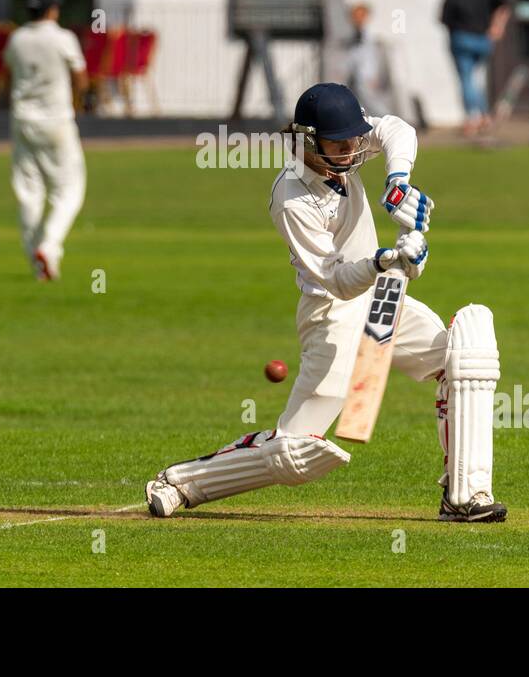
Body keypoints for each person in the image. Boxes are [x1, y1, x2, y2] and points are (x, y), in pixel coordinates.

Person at [145, 83, 507, 523]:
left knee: (464, 357)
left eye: (355, 139)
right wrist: (386, 260)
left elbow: (397, 129)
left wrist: (398, 183)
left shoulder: (342, 144)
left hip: (381, 300)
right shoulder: (291, 198)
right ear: (306, 142)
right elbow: (337, 280)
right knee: (296, 451)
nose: (353, 151)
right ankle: (181, 483)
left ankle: (465, 496)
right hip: (331, 314)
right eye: (340, 144)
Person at [4, 0, 88, 281]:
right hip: (56, 121)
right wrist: (80, 98)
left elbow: (7, 71)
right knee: (69, 190)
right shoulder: (63, 38)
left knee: (29, 192)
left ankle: (34, 257)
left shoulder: (17, 38)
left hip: (22, 120)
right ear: (51, 10)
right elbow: (81, 76)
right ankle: (49, 246)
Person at [440, 0, 510, 137]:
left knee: (466, 79)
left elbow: (444, 20)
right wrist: (497, 26)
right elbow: (505, 4)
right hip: (483, 41)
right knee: (474, 79)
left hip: (462, 40)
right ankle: (485, 115)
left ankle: (473, 117)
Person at [344, 1, 394, 116]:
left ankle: (388, 122)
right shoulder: (349, 36)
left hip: (369, 78)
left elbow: (379, 57)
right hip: (353, 78)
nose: (358, 19)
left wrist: (378, 76)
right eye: (355, 16)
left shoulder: (375, 35)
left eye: (361, 15)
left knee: (375, 105)